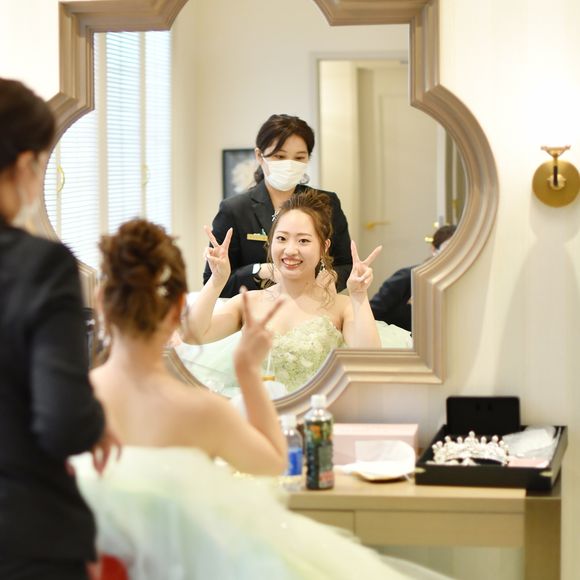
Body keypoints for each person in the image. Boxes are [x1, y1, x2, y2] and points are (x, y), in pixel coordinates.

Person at [0, 78, 117, 579]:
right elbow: (64, 422)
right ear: (26, 165)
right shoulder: (40, 267)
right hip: (25, 533)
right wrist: (94, 421)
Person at [91, 218, 287, 476]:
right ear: (178, 310)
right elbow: (274, 464)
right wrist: (247, 371)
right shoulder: (205, 412)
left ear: (100, 302)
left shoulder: (64, 400)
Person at [187, 190, 382, 393]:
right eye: (281, 238)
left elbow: (370, 361)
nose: (290, 250)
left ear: (324, 246)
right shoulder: (248, 302)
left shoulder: (342, 306)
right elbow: (192, 335)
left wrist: (359, 296)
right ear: (271, 242)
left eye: (303, 241)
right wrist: (217, 281)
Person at [203, 113, 353, 297]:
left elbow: (347, 265)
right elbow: (213, 281)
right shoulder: (235, 210)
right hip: (254, 308)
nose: (289, 165)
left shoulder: (326, 203)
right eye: (279, 156)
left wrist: (330, 278)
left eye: (299, 158)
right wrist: (259, 270)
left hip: (313, 304)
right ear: (259, 156)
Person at [370, 224, 457, 332]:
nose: (453, 254)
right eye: (449, 247)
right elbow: (372, 313)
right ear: (434, 249)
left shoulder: (459, 285)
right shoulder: (406, 277)